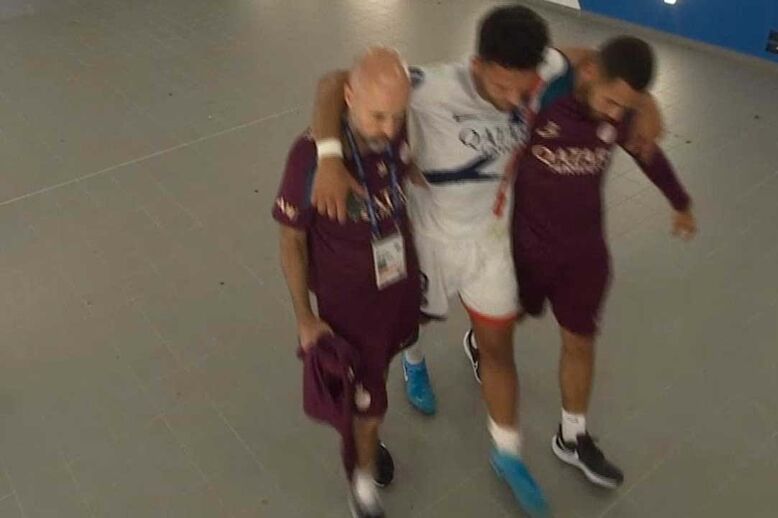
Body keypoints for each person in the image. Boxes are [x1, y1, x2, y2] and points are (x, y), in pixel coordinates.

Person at [307, 6, 665, 516]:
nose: (515, 101)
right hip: (428, 241)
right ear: (477, 65)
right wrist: (328, 156)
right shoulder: (429, 85)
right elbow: (333, 82)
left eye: (524, 90)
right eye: (502, 87)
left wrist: (645, 103)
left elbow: (595, 59)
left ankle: (508, 454)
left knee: (498, 348)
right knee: (392, 340)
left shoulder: (544, 67)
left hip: (490, 243)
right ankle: (398, 388)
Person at [511, 35, 697, 489]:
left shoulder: (624, 113)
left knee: (580, 342)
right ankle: (481, 344)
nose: (615, 115)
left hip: (584, 253)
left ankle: (571, 436)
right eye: (611, 102)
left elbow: (648, 153)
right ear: (590, 73)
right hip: (525, 246)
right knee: (510, 317)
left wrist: (680, 202)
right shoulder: (544, 99)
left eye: (625, 107)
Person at [273, 47, 419, 518]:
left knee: (377, 385)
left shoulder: (393, 133)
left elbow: (399, 163)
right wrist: (304, 317)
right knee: (367, 406)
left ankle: (368, 439)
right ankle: (361, 487)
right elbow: (291, 241)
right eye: (378, 117)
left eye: (398, 116)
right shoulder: (309, 158)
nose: (390, 129)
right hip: (350, 316)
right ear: (350, 98)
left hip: (396, 293)